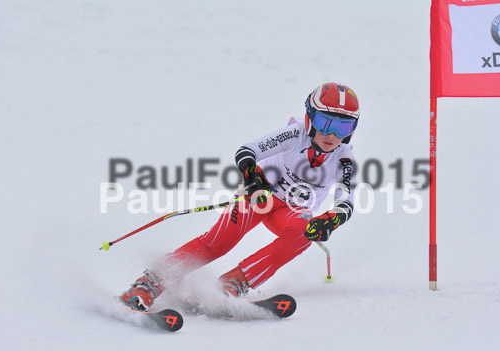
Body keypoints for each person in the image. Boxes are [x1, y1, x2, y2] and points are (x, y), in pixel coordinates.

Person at [120, 82, 359, 311]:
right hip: (261, 198)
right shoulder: (295, 134)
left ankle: (232, 284)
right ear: (309, 118)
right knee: (217, 243)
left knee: (305, 233)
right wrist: (252, 175)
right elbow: (248, 151)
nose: (333, 135)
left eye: (344, 127)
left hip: (291, 212)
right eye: (325, 123)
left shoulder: (344, 159)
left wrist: (331, 220)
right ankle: (148, 284)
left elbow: (346, 201)